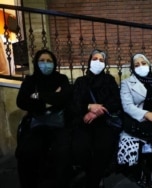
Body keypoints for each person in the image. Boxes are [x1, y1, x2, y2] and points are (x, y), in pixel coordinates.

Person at [15, 49, 72, 188]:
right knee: (26, 151)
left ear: (54, 63)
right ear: (36, 63)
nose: (45, 64)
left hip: (58, 125)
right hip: (37, 126)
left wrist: (38, 97)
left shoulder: (61, 79)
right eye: (42, 61)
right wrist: (51, 99)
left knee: (63, 153)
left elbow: (66, 97)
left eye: (49, 61)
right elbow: (21, 101)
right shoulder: (30, 80)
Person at [68, 49, 122, 188]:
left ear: (105, 64)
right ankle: (94, 176)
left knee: (103, 147)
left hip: (105, 122)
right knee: (80, 149)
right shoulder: (81, 82)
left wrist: (98, 111)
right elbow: (74, 103)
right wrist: (89, 107)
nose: (98, 62)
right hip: (84, 122)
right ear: (89, 62)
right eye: (95, 59)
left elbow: (116, 101)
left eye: (101, 60)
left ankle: (93, 180)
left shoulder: (109, 80)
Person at [117, 53, 152, 187]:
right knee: (139, 144)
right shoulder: (127, 83)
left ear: (148, 64)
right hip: (137, 120)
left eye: (143, 63)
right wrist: (147, 114)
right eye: (136, 65)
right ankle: (141, 174)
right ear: (132, 68)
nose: (141, 66)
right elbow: (127, 106)